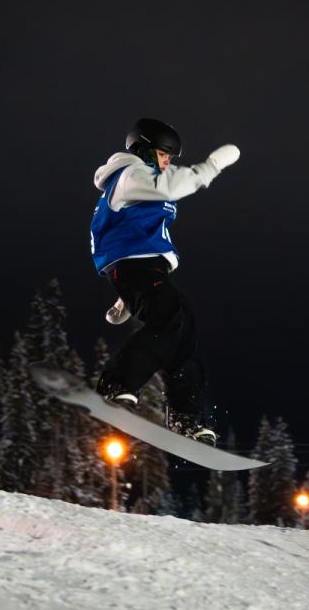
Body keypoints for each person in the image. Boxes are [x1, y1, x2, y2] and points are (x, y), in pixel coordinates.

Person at [89, 117, 240, 445]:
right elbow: (170, 186)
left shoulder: (139, 186)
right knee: (169, 321)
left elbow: (141, 238)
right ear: (144, 149)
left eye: (170, 158)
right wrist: (210, 167)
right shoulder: (131, 174)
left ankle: (187, 417)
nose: (168, 163)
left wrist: (123, 301)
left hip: (142, 268)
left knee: (184, 329)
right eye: (164, 155)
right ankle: (117, 385)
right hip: (135, 267)